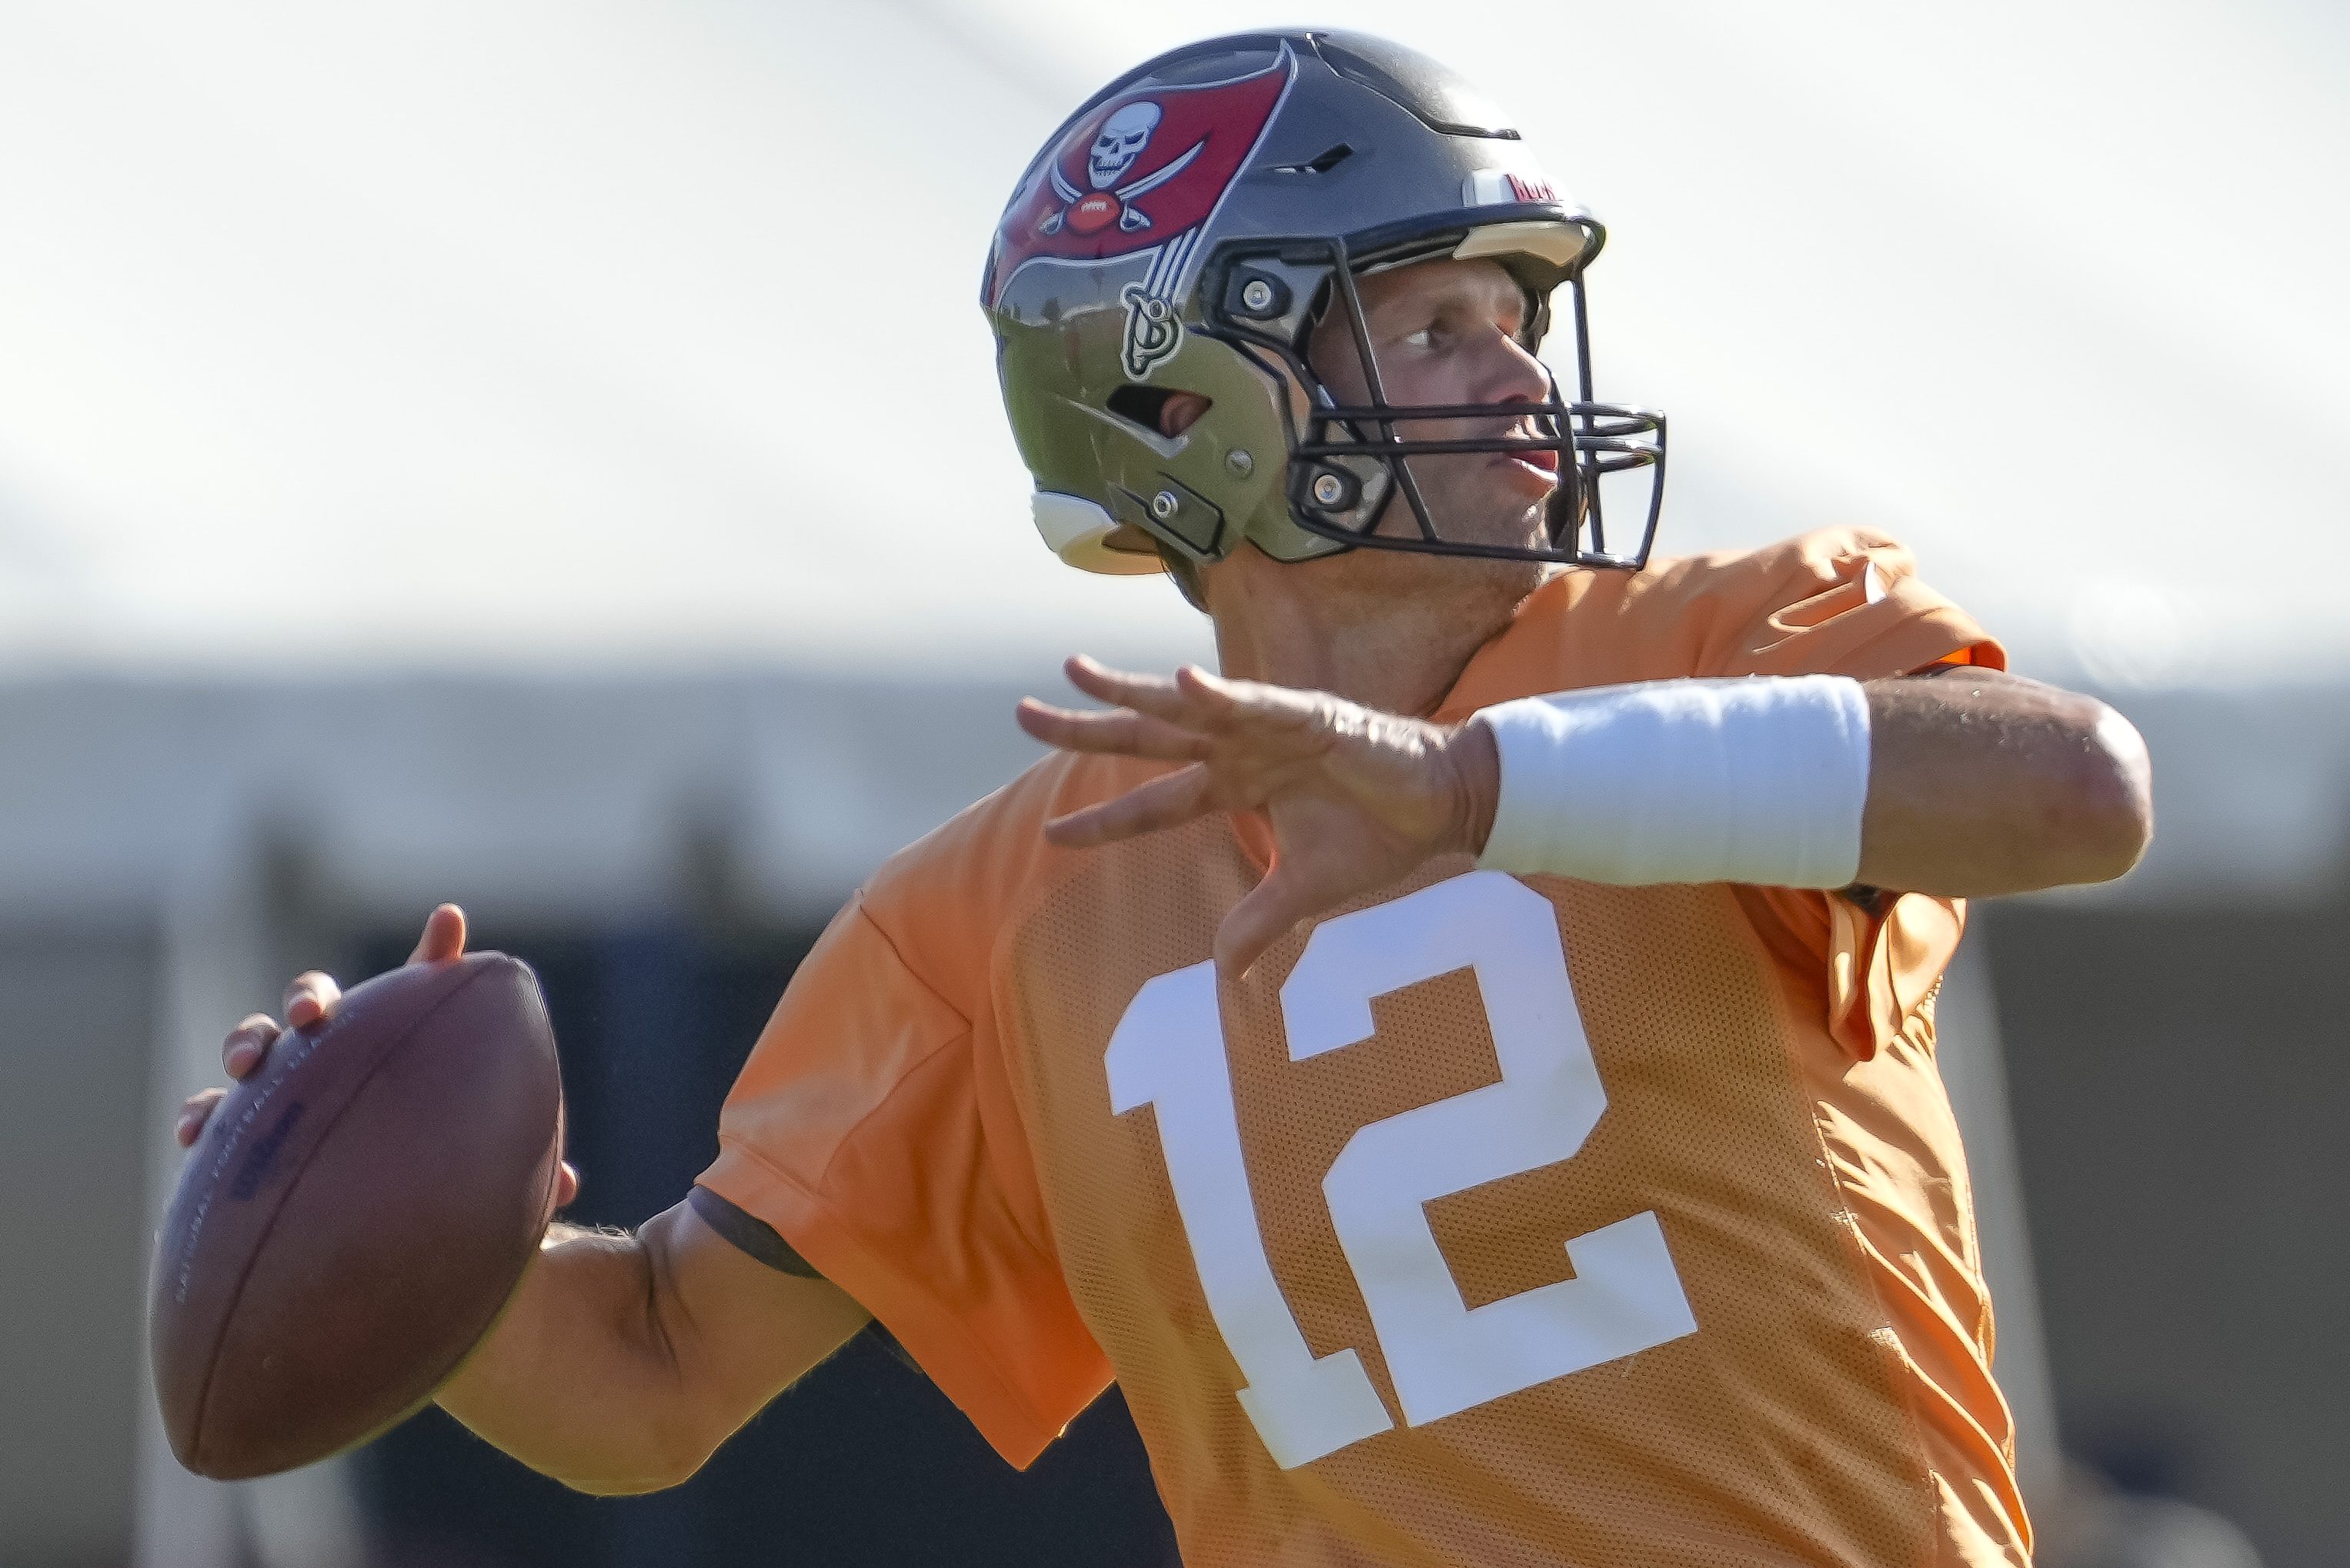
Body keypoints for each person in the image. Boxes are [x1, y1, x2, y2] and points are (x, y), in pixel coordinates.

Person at [177, 31, 2151, 1566]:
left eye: (1523, 320)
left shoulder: (1720, 644)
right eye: (1440, 324)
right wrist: (413, 1231)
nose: (1526, 382)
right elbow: (658, 1369)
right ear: (1192, 396)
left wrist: (1476, 790)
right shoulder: (1000, 911)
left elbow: (2077, 792)